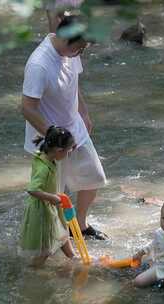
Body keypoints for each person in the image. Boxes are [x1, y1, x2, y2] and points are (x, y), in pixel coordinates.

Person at [21, 15, 108, 240]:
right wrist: (53, 135)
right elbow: (27, 108)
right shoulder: (39, 64)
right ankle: (57, 239)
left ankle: (80, 225)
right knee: (54, 196)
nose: (81, 53)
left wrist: (85, 113)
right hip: (51, 141)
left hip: (75, 129)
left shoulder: (71, 53)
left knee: (94, 177)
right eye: (79, 47)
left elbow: (73, 83)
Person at [18, 126, 76, 266]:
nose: (69, 154)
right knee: (46, 248)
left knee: (62, 232)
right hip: (42, 210)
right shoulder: (43, 168)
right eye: (68, 151)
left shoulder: (46, 155)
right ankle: (33, 270)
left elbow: (61, 148)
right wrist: (52, 198)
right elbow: (32, 190)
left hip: (50, 205)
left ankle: (73, 257)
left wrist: (69, 147)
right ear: (58, 150)